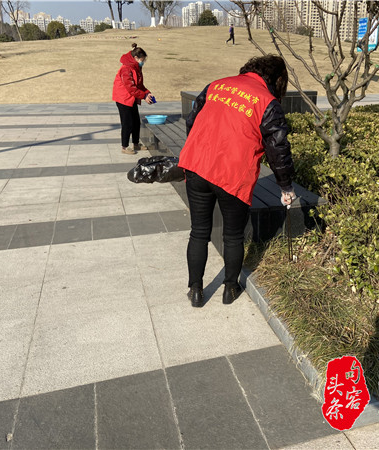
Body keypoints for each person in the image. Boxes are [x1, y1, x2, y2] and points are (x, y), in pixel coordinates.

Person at [178, 55, 296, 308]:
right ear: (278, 79)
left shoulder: (216, 85)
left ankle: (195, 291)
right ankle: (230, 288)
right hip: (233, 174)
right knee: (232, 236)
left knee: (198, 231)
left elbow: (192, 121)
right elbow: (278, 150)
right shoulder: (267, 101)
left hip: (196, 166)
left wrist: (198, 152)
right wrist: (285, 186)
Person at [112, 43, 153, 155]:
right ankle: (124, 147)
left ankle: (136, 143)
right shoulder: (126, 69)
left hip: (132, 98)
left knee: (136, 121)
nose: (143, 62)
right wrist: (143, 96)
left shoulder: (136, 68)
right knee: (127, 123)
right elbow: (131, 88)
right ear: (135, 58)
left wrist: (147, 93)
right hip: (123, 99)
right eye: (142, 60)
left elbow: (139, 85)